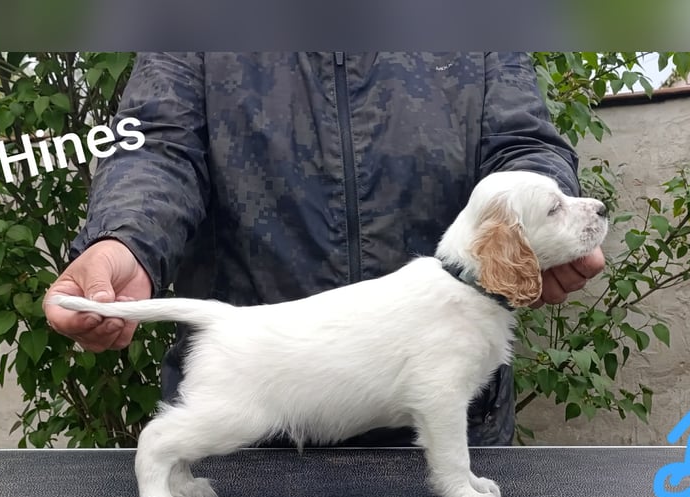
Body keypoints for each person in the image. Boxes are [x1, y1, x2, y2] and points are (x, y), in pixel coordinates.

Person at [44, 52, 605, 446]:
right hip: (258, 407)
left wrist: (535, 223)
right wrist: (125, 238)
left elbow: (524, 141)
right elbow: (156, 142)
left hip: (449, 423)